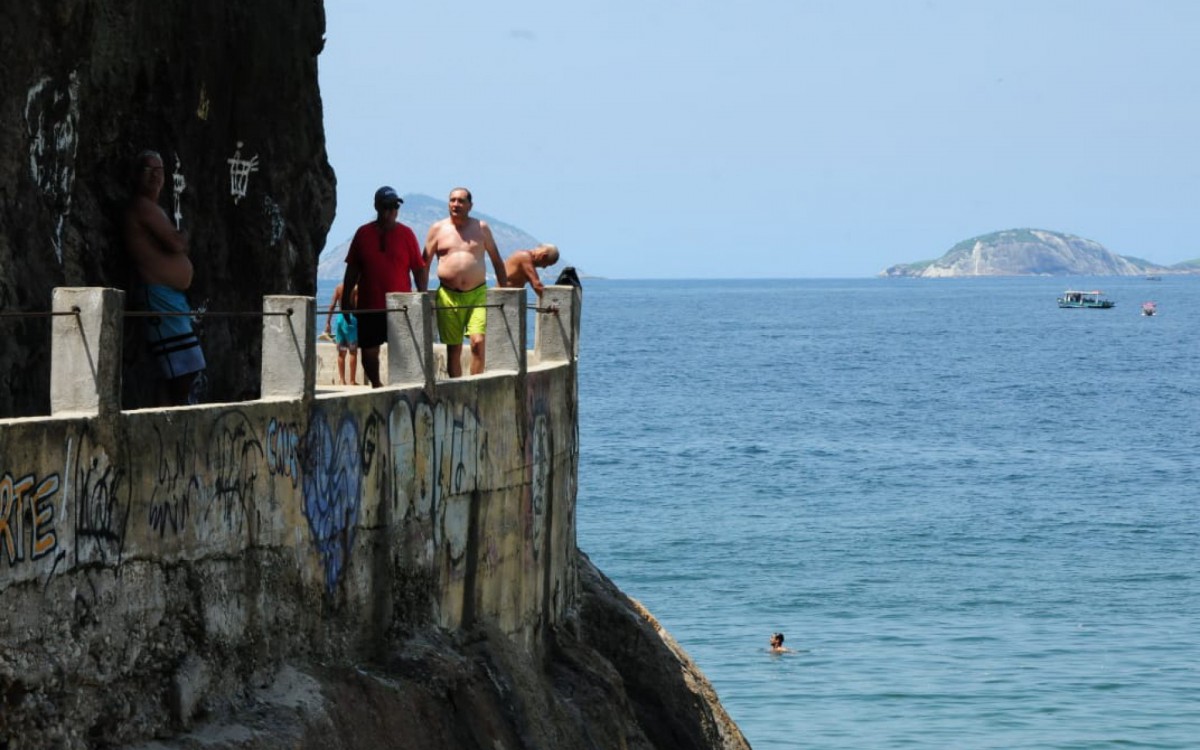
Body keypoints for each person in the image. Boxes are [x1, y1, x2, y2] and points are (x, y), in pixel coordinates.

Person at [123, 149, 205, 405]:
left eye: (159, 170)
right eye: (148, 169)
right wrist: (181, 237)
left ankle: (176, 415)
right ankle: (175, 418)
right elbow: (175, 242)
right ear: (136, 175)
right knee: (183, 368)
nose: (155, 175)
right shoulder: (142, 207)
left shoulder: (155, 209)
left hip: (170, 298)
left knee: (187, 368)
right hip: (158, 297)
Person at [341, 186, 428, 388]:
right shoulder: (363, 234)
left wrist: (422, 298)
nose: (391, 211)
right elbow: (352, 270)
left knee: (404, 350)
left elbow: (418, 269)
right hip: (369, 306)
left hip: (400, 307)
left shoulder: (407, 234)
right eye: (386, 206)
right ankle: (377, 386)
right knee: (369, 352)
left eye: (395, 207)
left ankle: (403, 388)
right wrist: (345, 299)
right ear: (377, 207)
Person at [423, 187, 508, 377]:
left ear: (470, 205)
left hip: (477, 294)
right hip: (448, 296)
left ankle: (476, 386)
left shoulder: (481, 228)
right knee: (454, 349)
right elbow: (424, 264)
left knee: (478, 342)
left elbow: (497, 261)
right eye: (452, 200)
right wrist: (421, 294)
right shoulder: (437, 229)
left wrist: (504, 293)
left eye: (461, 201)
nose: (456, 204)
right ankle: (456, 387)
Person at [323, 282, 359, 385]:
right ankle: (352, 380)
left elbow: (332, 305)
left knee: (341, 352)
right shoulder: (356, 289)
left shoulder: (339, 287)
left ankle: (342, 380)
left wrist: (328, 322)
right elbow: (357, 306)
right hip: (351, 319)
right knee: (353, 351)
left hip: (340, 319)